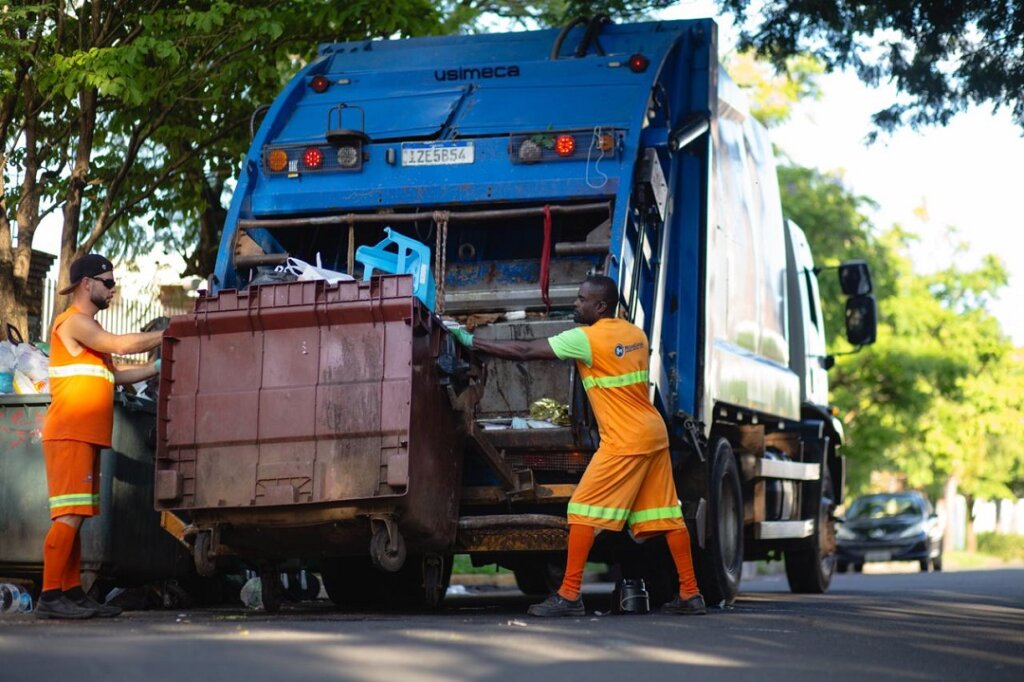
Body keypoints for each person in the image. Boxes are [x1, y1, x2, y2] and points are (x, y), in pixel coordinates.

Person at [449, 274, 706, 617]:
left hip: (625, 439)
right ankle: (691, 593)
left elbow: (526, 351)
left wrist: (472, 341)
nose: (576, 303)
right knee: (666, 515)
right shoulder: (636, 335)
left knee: (581, 509)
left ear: (600, 306)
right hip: (653, 432)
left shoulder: (587, 339)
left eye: (582, 299)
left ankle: (569, 595)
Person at [35, 254, 164, 620]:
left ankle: (71, 592)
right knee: (69, 516)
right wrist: (167, 334)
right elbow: (121, 345)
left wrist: (157, 365)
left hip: (85, 435)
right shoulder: (73, 322)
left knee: (77, 515)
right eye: (107, 282)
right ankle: (50, 595)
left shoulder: (89, 336)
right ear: (85, 284)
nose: (113, 289)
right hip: (70, 433)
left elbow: (115, 373)